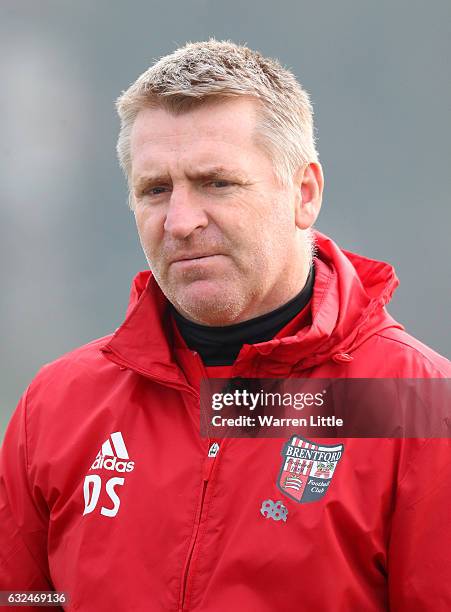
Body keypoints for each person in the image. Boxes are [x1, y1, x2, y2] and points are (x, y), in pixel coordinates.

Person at [0, 39, 449, 611]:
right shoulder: (58, 405)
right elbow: (21, 599)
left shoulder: (415, 406)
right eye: (156, 190)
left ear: (304, 194)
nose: (181, 222)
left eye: (217, 183)